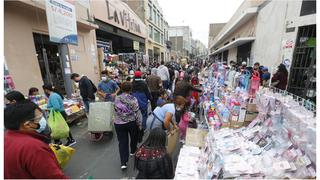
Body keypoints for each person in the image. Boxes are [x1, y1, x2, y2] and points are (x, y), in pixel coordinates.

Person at [4, 102, 67, 179]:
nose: (42, 120)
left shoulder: (6, 138)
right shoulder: (33, 147)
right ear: (27, 124)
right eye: (39, 118)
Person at [114, 82, 142, 170]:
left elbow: (116, 109)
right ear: (130, 89)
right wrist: (139, 124)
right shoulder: (133, 99)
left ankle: (123, 162)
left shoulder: (117, 98)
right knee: (133, 137)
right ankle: (133, 151)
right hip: (131, 122)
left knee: (122, 142)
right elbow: (137, 112)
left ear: (121, 89)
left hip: (118, 123)